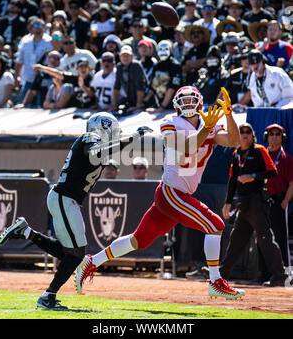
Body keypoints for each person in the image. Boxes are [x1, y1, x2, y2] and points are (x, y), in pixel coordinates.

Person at [75, 87, 246, 300]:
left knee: (138, 241)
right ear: (176, 105)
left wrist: (229, 114)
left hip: (175, 195)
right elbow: (186, 147)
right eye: (182, 101)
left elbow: (234, 141)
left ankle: (91, 261)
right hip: (172, 193)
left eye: (191, 100)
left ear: (200, 102)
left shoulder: (207, 123)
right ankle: (215, 281)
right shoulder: (171, 123)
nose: (187, 104)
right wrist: (207, 129)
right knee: (215, 225)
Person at [0, 112, 153, 309]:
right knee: (76, 254)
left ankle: (26, 232)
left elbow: (100, 153)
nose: (114, 134)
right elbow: (96, 152)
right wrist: (132, 137)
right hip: (64, 198)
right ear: (103, 128)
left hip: (67, 199)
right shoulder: (90, 138)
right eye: (112, 130)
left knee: (70, 253)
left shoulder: (96, 142)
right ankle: (47, 297)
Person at [220, 123, 287, 286]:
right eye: (242, 132)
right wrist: (227, 202)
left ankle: (279, 275)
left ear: (253, 135)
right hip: (243, 203)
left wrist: (253, 176)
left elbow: (273, 172)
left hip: (257, 201)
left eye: (247, 132)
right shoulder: (236, 153)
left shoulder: (259, 150)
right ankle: (222, 275)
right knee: (236, 238)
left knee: (265, 238)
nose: (244, 134)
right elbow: (232, 180)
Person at [257, 124, 293, 283]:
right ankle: (263, 274)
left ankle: (284, 274)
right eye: (271, 134)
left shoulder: (286, 158)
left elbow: (292, 184)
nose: (274, 137)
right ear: (266, 137)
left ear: (282, 138)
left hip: (278, 201)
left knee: (279, 239)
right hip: (261, 202)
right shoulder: (260, 155)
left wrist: (284, 203)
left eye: (278, 134)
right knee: (262, 238)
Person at [145, 40, 182, 111]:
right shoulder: (157, 66)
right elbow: (152, 87)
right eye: (160, 49)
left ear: (171, 51)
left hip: (173, 107)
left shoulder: (175, 66)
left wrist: (162, 107)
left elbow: (172, 88)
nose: (163, 52)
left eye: (166, 49)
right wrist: (143, 104)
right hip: (159, 104)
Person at [113, 45, 147, 113]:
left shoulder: (136, 65)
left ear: (132, 56)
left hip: (145, 100)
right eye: (123, 55)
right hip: (131, 100)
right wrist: (115, 105)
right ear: (120, 57)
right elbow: (117, 87)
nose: (125, 58)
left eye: (127, 55)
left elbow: (141, 86)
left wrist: (138, 105)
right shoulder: (119, 67)